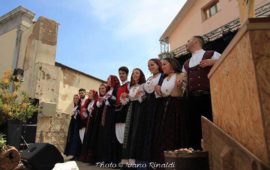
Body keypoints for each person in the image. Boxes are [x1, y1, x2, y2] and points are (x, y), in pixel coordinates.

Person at [182, 35, 221, 149]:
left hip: (209, 97)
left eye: (188, 40)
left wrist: (213, 62)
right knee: (194, 128)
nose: (186, 43)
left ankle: (214, 153)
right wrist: (181, 82)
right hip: (192, 100)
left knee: (211, 125)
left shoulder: (211, 54)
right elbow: (185, 82)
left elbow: (228, 61)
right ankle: (197, 155)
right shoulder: (186, 63)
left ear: (195, 41)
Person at [153, 57, 189, 164]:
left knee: (174, 132)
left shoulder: (181, 75)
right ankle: (164, 161)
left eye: (164, 64)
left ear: (172, 65)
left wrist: (182, 84)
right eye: (162, 64)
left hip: (177, 107)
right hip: (165, 108)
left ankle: (176, 162)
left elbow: (185, 91)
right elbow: (160, 95)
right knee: (163, 134)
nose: (162, 67)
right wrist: (157, 90)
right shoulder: (163, 79)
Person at [121, 68, 146, 167]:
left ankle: (134, 159)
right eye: (133, 74)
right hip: (131, 109)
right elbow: (127, 101)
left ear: (141, 75)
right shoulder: (131, 87)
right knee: (129, 132)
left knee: (136, 131)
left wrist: (136, 96)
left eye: (137, 73)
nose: (134, 75)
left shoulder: (143, 86)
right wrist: (125, 97)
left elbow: (143, 99)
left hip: (140, 110)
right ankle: (126, 159)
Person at [115, 66, 130, 164]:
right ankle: (121, 160)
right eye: (120, 73)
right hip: (118, 112)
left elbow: (130, 96)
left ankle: (126, 160)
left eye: (123, 73)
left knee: (125, 136)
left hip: (125, 111)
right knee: (119, 135)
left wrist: (125, 99)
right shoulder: (119, 87)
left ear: (127, 74)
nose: (121, 75)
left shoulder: (128, 85)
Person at [80, 89, 98, 162]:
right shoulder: (89, 103)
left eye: (90, 93)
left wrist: (93, 111)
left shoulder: (96, 102)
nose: (89, 95)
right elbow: (87, 115)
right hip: (88, 123)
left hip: (93, 123)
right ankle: (85, 157)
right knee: (87, 139)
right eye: (89, 93)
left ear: (94, 94)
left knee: (91, 139)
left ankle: (90, 158)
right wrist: (84, 112)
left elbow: (96, 113)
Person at [64, 94, 81, 160]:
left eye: (77, 98)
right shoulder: (75, 106)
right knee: (71, 137)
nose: (75, 99)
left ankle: (73, 154)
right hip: (73, 123)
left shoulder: (80, 106)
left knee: (75, 138)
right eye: (74, 98)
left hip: (77, 124)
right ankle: (69, 153)